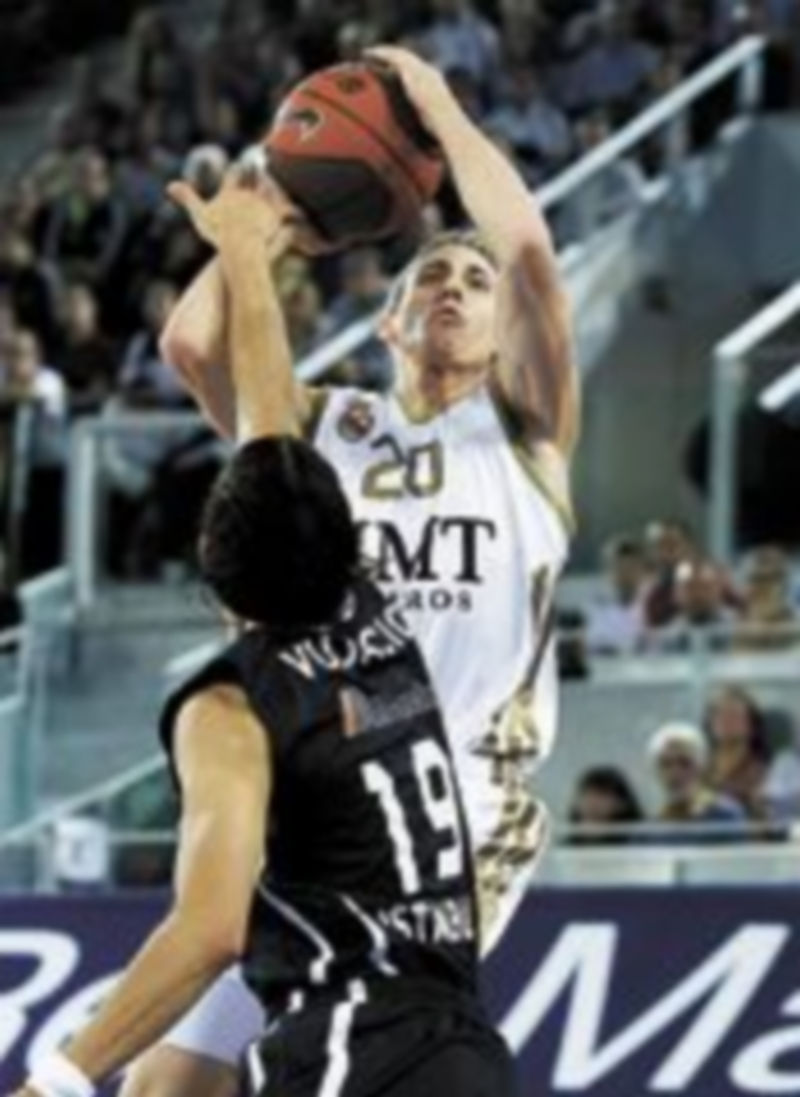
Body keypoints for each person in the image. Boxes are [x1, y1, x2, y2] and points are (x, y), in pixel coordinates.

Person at [137, 45, 578, 1097]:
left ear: (498, 329)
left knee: (350, 1049)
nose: (457, 287)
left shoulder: (524, 438)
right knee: (169, 1083)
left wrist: (431, 105)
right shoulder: (329, 426)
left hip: (457, 802)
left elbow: (524, 253)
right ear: (386, 315)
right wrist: (271, 214)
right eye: (433, 270)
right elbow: (192, 343)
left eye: (473, 284)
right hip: (324, 784)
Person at [14, 179, 516, 1097]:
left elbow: (208, 928)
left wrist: (57, 1077)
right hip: (461, 1047)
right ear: (346, 538)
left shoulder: (230, 706)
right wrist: (246, 252)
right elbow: (273, 430)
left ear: (211, 573)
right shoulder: (373, 608)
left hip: (352, 1049)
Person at [649, 721, 747, 841]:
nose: (675, 773)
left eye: (685, 763)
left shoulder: (725, 817)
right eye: (666, 764)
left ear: (702, 767)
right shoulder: (650, 830)